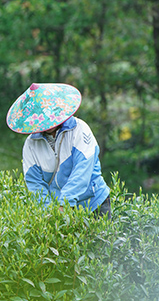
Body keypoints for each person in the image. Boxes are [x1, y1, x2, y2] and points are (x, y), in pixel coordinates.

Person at [6, 83, 111, 217]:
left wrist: (65, 203)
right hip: (58, 210)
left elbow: (82, 172)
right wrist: (50, 213)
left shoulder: (79, 129)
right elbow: (35, 183)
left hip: (94, 203)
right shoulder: (31, 144)